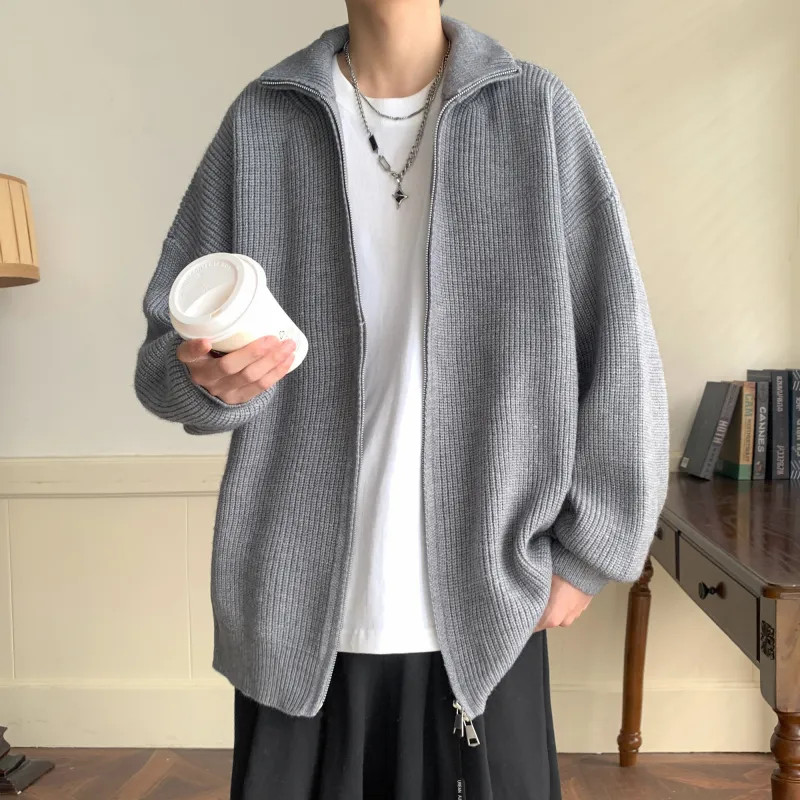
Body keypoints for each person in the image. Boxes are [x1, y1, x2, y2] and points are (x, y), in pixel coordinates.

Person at [135, 0, 669, 797]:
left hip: (488, 608)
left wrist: (591, 552)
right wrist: (209, 382)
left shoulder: (534, 112)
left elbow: (620, 344)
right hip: (294, 622)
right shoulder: (264, 121)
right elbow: (163, 361)